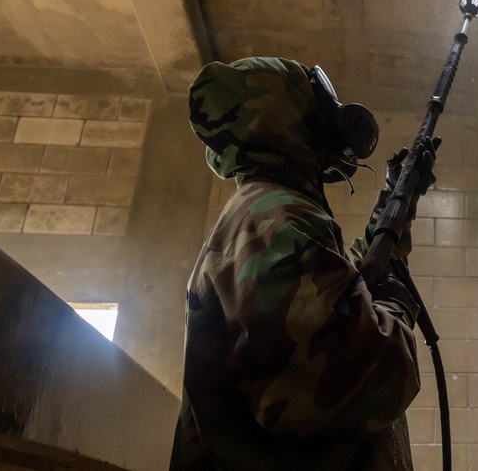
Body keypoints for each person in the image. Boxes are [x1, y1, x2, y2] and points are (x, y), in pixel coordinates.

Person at [170, 56, 437, 470]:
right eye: (319, 100)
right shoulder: (274, 220)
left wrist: (396, 204)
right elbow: (357, 381)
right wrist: (395, 306)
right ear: (286, 114)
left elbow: (341, 289)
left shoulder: (270, 212)